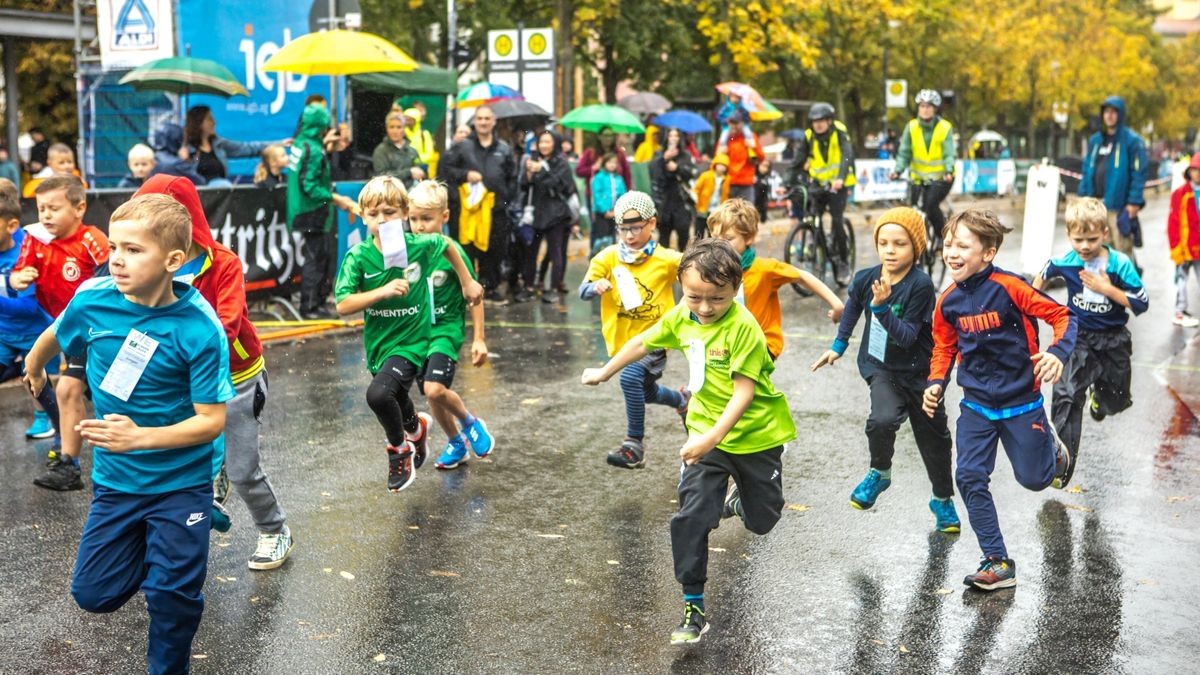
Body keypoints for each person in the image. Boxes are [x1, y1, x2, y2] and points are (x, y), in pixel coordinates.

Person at [22, 193, 234, 675]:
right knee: (92, 594)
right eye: (114, 247)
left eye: (134, 250)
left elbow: (211, 421)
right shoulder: (95, 299)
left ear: (173, 261)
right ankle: (166, 551)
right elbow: (58, 332)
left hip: (182, 479)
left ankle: (169, 658)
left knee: (170, 596)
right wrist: (34, 366)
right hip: (118, 483)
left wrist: (139, 437)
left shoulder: (200, 329)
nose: (117, 259)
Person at [581, 238, 796, 645]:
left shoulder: (744, 328)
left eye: (716, 298)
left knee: (763, 519)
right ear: (682, 286)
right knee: (691, 517)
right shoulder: (684, 314)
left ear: (735, 289)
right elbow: (645, 341)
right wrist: (605, 372)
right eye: (694, 296)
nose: (704, 307)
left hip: (755, 437)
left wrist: (710, 438)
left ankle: (738, 503)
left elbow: (743, 393)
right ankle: (693, 606)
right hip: (706, 435)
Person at [136, 174, 295, 570]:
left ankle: (275, 531)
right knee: (180, 463)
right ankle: (208, 478)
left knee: (243, 471)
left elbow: (229, 321)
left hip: (238, 379)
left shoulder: (222, 261)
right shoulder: (152, 263)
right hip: (183, 382)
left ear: (182, 218)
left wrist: (180, 352)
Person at [923, 209, 1075, 591]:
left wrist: (1056, 353)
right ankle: (997, 561)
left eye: (962, 245)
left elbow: (1061, 315)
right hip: (976, 406)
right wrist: (936, 382)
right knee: (970, 476)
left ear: (987, 253)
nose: (952, 252)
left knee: (1035, 480)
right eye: (948, 245)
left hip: (1022, 403)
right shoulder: (949, 302)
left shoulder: (1011, 287)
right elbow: (944, 344)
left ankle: (1053, 455)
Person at [811, 207, 959, 531]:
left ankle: (943, 500)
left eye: (900, 244)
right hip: (882, 369)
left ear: (915, 248)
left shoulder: (920, 286)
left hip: (920, 373)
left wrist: (881, 309)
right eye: (884, 242)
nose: (890, 250)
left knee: (935, 442)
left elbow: (907, 338)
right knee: (882, 419)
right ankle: (879, 472)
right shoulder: (867, 278)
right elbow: (852, 307)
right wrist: (838, 346)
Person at [334, 176, 482, 491]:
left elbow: (446, 244)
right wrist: (383, 291)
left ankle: (399, 449)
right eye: (373, 214)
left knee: (378, 394)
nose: (381, 220)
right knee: (394, 399)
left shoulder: (417, 245)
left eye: (389, 212)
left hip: (414, 342)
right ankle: (416, 430)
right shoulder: (358, 257)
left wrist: (468, 282)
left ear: (403, 214)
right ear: (363, 217)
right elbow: (343, 304)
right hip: (381, 345)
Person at [1034, 197, 1147, 487]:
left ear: (1105, 235)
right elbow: (1042, 277)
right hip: (1078, 336)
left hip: (1113, 339)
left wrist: (1106, 288)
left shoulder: (1120, 263)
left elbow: (1141, 302)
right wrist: (1034, 309)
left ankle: (1101, 402)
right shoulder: (1067, 261)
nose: (1084, 246)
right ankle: (1059, 463)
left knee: (1117, 399)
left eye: (1092, 239)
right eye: (1078, 239)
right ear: (1069, 235)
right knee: (1067, 394)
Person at [11, 176, 110, 492]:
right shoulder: (35, 239)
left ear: (80, 208)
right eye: (41, 209)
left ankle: (140, 455)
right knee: (68, 389)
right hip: (63, 328)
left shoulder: (91, 239)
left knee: (98, 392)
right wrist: (19, 278)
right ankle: (69, 464)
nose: (46, 216)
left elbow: (115, 271)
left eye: (54, 208)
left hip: (99, 327)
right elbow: (17, 276)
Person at [578, 191, 688, 469]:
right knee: (644, 391)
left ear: (652, 224)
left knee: (629, 379)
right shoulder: (608, 258)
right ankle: (681, 400)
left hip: (655, 339)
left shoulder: (666, 259)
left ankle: (633, 446)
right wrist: (595, 287)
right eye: (623, 229)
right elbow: (583, 289)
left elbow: (695, 269)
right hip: (621, 345)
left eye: (636, 228)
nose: (629, 235)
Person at [403, 180, 495, 469]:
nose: (419, 226)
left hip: (445, 330)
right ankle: (456, 443)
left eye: (426, 219)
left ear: (444, 217)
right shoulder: (409, 250)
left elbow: (474, 294)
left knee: (433, 389)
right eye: (413, 219)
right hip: (418, 335)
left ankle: (470, 422)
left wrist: (479, 339)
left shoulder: (453, 252)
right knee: (433, 397)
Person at [707, 198, 843, 360]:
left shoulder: (764, 269)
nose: (719, 244)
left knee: (739, 375)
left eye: (728, 239)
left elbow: (802, 276)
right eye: (714, 237)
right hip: (729, 344)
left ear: (749, 238)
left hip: (762, 345)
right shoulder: (713, 268)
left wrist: (837, 305)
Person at [287, 102, 359, 319]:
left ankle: (315, 304)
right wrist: (335, 198)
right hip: (311, 211)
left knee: (318, 256)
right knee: (316, 259)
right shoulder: (313, 149)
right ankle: (310, 308)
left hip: (300, 209)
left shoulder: (301, 143)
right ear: (321, 126)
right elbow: (309, 185)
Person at [439, 105, 518, 301]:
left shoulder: (504, 149)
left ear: (493, 121)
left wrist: (505, 202)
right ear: (474, 121)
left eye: (487, 119)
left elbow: (512, 178)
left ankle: (489, 288)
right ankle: (465, 288)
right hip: (467, 211)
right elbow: (446, 171)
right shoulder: (462, 146)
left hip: (495, 211)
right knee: (466, 249)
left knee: (494, 249)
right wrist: (465, 175)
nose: (483, 122)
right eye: (479, 119)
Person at [0, 195, 61, 442]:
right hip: (4, 333)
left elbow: (29, 307)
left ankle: (58, 434)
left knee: (37, 381)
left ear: (11, 226)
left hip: (35, 334)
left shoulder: (26, 254)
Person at [787, 102, 857, 285]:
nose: (817, 124)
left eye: (821, 120)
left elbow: (847, 155)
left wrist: (840, 177)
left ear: (829, 120)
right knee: (811, 218)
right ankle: (816, 246)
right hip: (818, 185)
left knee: (836, 220)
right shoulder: (809, 136)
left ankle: (843, 262)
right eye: (814, 121)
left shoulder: (839, 131)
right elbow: (797, 161)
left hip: (838, 186)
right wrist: (786, 183)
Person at [1078, 95, 1148, 267]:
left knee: (1122, 256)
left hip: (1119, 208)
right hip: (1095, 208)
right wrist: (1083, 199)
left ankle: (1128, 290)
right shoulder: (1095, 141)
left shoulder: (1132, 141)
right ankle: (1103, 291)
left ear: (1120, 114)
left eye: (1113, 112)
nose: (1109, 115)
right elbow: (1087, 170)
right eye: (1106, 112)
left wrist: (1133, 203)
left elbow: (1138, 174)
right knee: (1097, 254)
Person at [891, 89, 956, 257]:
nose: (925, 109)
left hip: (941, 179)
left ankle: (943, 239)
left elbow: (949, 153)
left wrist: (949, 170)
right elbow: (904, 152)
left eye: (928, 106)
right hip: (918, 179)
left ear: (935, 109)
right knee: (914, 210)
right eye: (921, 106)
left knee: (930, 205)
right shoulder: (911, 127)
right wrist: (898, 170)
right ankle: (917, 242)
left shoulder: (944, 127)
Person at [518, 130, 576, 303]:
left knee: (555, 252)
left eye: (548, 142)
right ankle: (528, 286)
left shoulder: (561, 162)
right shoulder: (532, 160)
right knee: (531, 252)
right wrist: (528, 174)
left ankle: (553, 288)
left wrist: (542, 170)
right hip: (535, 213)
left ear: (555, 143)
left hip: (556, 214)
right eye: (541, 141)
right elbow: (523, 185)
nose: (544, 145)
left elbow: (561, 185)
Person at [185, 105, 278, 186]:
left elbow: (247, 148)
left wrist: (277, 144)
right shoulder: (186, 148)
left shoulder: (219, 144)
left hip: (220, 194)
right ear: (199, 122)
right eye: (210, 119)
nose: (214, 122)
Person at [650, 128, 697, 252]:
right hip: (664, 203)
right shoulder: (658, 155)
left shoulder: (685, 155)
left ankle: (683, 265)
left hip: (681, 201)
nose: (673, 138)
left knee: (683, 236)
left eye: (676, 135)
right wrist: (664, 159)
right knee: (663, 239)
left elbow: (692, 173)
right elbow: (654, 174)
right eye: (670, 135)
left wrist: (677, 168)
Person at [1169, 153, 1200, 327]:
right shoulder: (1180, 194)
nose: (1197, 173)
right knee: (1181, 279)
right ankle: (1180, 311)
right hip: (1184, 246)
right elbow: (1173, 222)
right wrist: (1175, 246)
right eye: (1194, 169)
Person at [576, 126, 631, 210]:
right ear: (599, 136)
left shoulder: (619, 154)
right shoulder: (590, 153)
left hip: (616, 198)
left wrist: (628, 193)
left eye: (610, 135)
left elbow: (627, 175)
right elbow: (579, 171)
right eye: (605, 135)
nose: (608, 138)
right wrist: (593, 168)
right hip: (595, 197)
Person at [372, 113, 424, 186]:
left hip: (412, 192)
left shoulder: (412, 151)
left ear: (404, 128)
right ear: (387, 129)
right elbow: (381, 177)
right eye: (391, 127)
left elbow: (420, 170)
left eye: (399, 127)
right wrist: (409, 172)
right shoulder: (380, 151)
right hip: (390, 193)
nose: (395, 131)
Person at [590, 152, 627, 256]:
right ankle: (595, 255)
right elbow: (597, 195)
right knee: (602, 237)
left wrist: (617, 210)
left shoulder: (619, 178)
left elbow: (622, 194)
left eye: (614, 163)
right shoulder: (599, 177)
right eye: (609, 162)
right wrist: (605, 210)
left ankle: (610, 259)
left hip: (615, 213)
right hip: (601, 213)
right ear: (604, 163)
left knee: (612, 236)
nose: (612, 165)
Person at [723, 109, 763, 202]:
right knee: (728, 215)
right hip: (729, 183)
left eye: (736, 123)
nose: (733, 126)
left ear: (742, 123)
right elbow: (718, 158)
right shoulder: (726, 138)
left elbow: (761, 157)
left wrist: (754, 147)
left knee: (747, 213)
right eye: (731, 122)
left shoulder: (750, 137)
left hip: (746, 184)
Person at [23, 143, 87, 197]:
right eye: (61, 163)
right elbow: (28, 196)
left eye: (70, 162)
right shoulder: (40, 181)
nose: (67, 166)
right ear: (49, 163)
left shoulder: (78, 180)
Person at [694, 154, 731, 239]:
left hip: (716, 210)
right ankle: (697, 249)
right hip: (703, 208)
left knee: (713, 233)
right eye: (720, 164)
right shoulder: (706, 175)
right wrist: (696, 199)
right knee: (699, 232)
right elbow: (697, 188)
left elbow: (726, 194)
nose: (721, 167)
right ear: (715, 164)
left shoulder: (727, 179)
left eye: (724, 165)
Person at [403, 107, 439, 177]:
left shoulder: (424, 133)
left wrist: (417, 160)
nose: (407, 122)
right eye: (406, 119)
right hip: (405, 167)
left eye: (410, 120)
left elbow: (429, 153)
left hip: (421, 167)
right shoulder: (402, 133)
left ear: (416, 120)